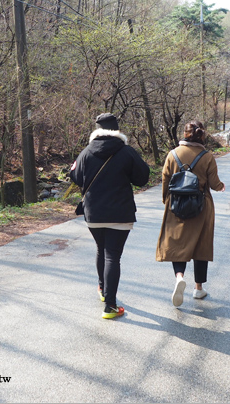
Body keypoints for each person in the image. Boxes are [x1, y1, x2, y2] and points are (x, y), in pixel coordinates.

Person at [70, 113, 150, 319]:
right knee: (112, 255)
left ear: (96, 130)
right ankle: (110, 306)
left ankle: (103, 290)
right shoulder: (126, 151)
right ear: (116, 130)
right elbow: (142, 178)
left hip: (93, 213)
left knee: (101, 249)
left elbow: (76, 177)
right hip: (120, 212)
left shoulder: (86, 153)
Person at [156, 121, 225, 307]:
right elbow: (214, 183)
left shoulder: (172, 154)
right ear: (202, 135)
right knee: (201, 246)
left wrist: (166, 200)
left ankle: (179, 277)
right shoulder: (207, 156)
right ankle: (198, 288)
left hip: (176, 205)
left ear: (184, 134)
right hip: (201, 206)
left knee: (177, 243)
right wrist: (221, 187)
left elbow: (165, 179)